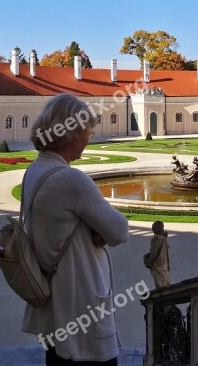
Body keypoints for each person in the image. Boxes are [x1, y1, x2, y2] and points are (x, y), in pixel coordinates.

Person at [22, 93, 129, 366]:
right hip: (80, 303)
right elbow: (119, 231)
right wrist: (100, 231)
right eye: (88, 135)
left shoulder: (34, 171)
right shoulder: (72, 179)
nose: (88, 141)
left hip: (52, 306)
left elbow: (58, 225)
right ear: (71, 134)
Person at [145, 221, 170, 289]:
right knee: (165, 281)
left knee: (160, 284)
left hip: (157, 265)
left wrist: (148, 261)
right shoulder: (163, 238)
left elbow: (153, 254)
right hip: (164, 263)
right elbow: (167, 247)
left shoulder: (155, 239)